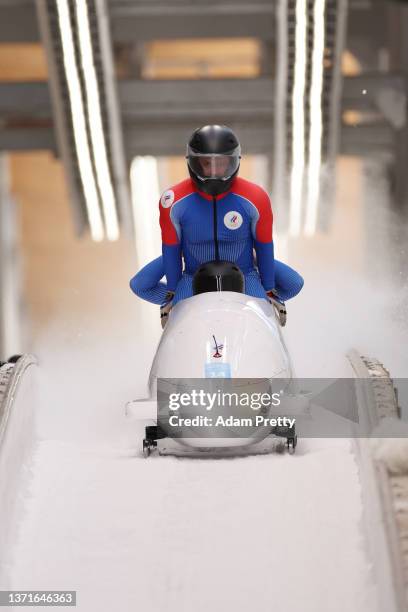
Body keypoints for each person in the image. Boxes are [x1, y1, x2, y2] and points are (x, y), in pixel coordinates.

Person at [130, 125, 303, 327]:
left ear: (233, 162)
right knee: (139, 285)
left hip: (245, 275)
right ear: (194, 163)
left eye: (220, 164)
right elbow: (170, 248)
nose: (213, 171)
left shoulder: (255, 197)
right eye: (206, 163)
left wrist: (269, 287)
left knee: (294, 283)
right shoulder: (173, 201)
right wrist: (173, 291)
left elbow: (264, 244)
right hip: (193, 277)